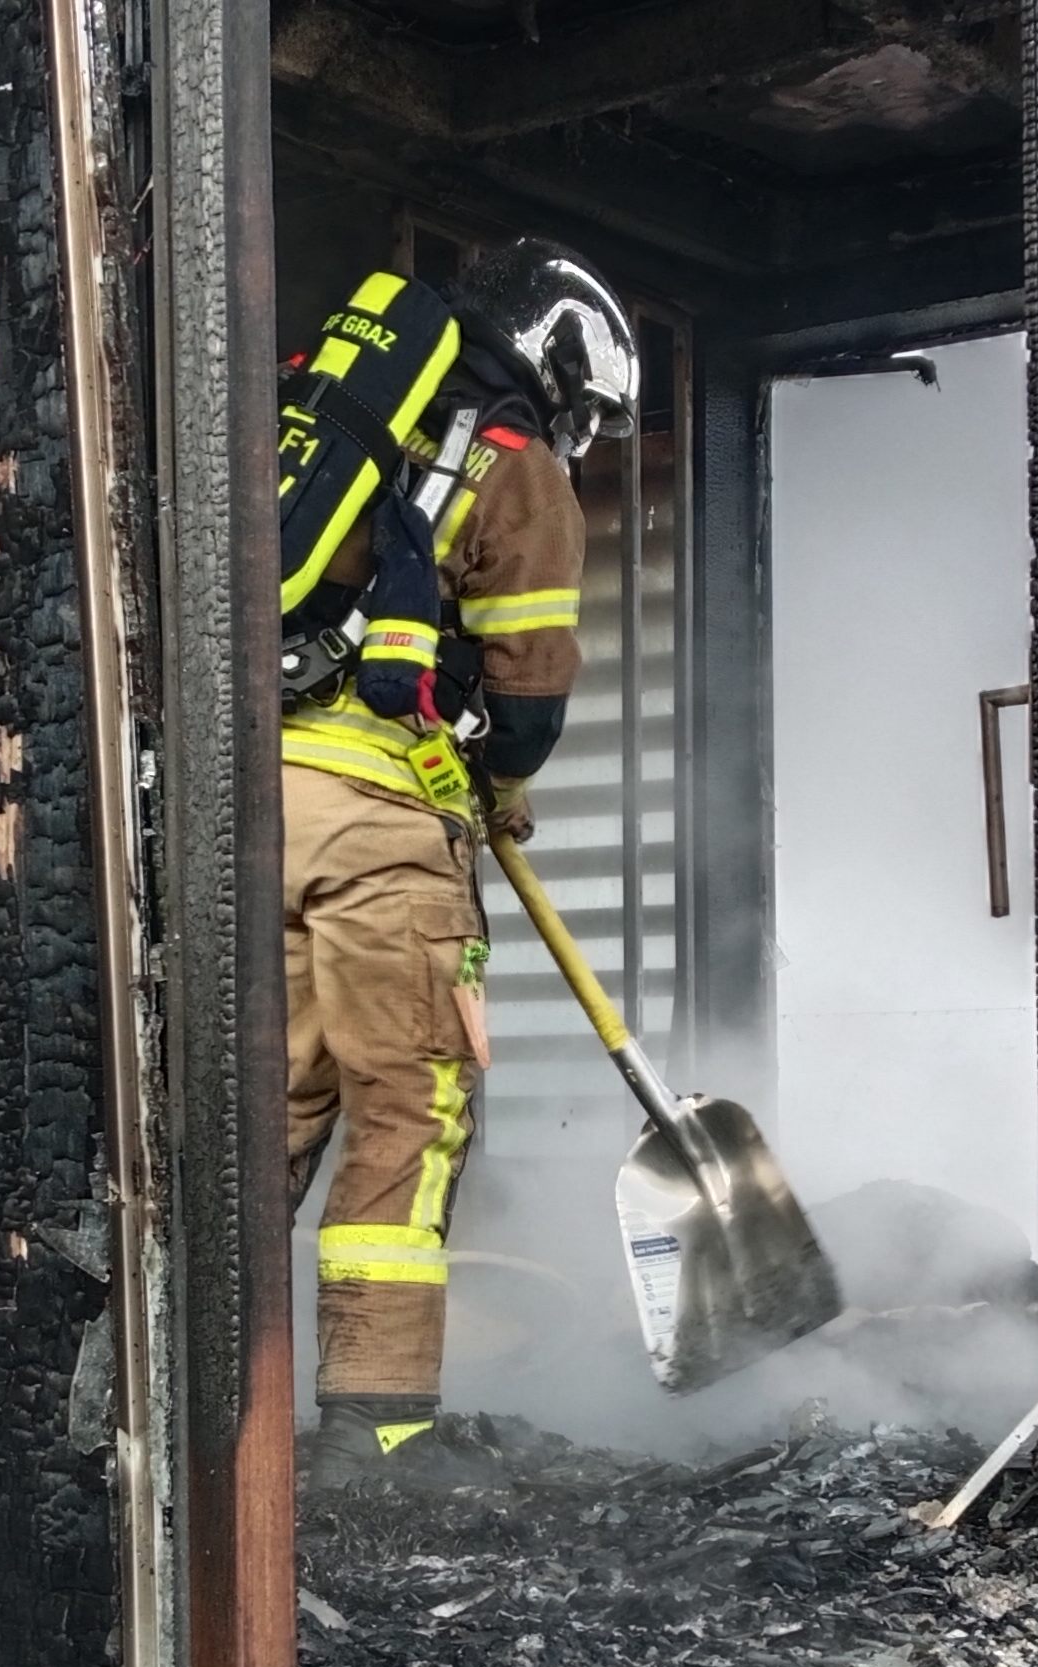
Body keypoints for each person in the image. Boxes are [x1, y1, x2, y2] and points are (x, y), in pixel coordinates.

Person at [279, 238, 639, 1488]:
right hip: (382, 831)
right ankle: (374, 1443)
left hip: (244, 820)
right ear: (552, 358)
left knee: (246, 1124)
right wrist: (493, 775)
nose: (573, 431)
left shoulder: (322, 427)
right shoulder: (512, 463)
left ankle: (160, 1416)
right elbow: (527, 706)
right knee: (409, 1113)